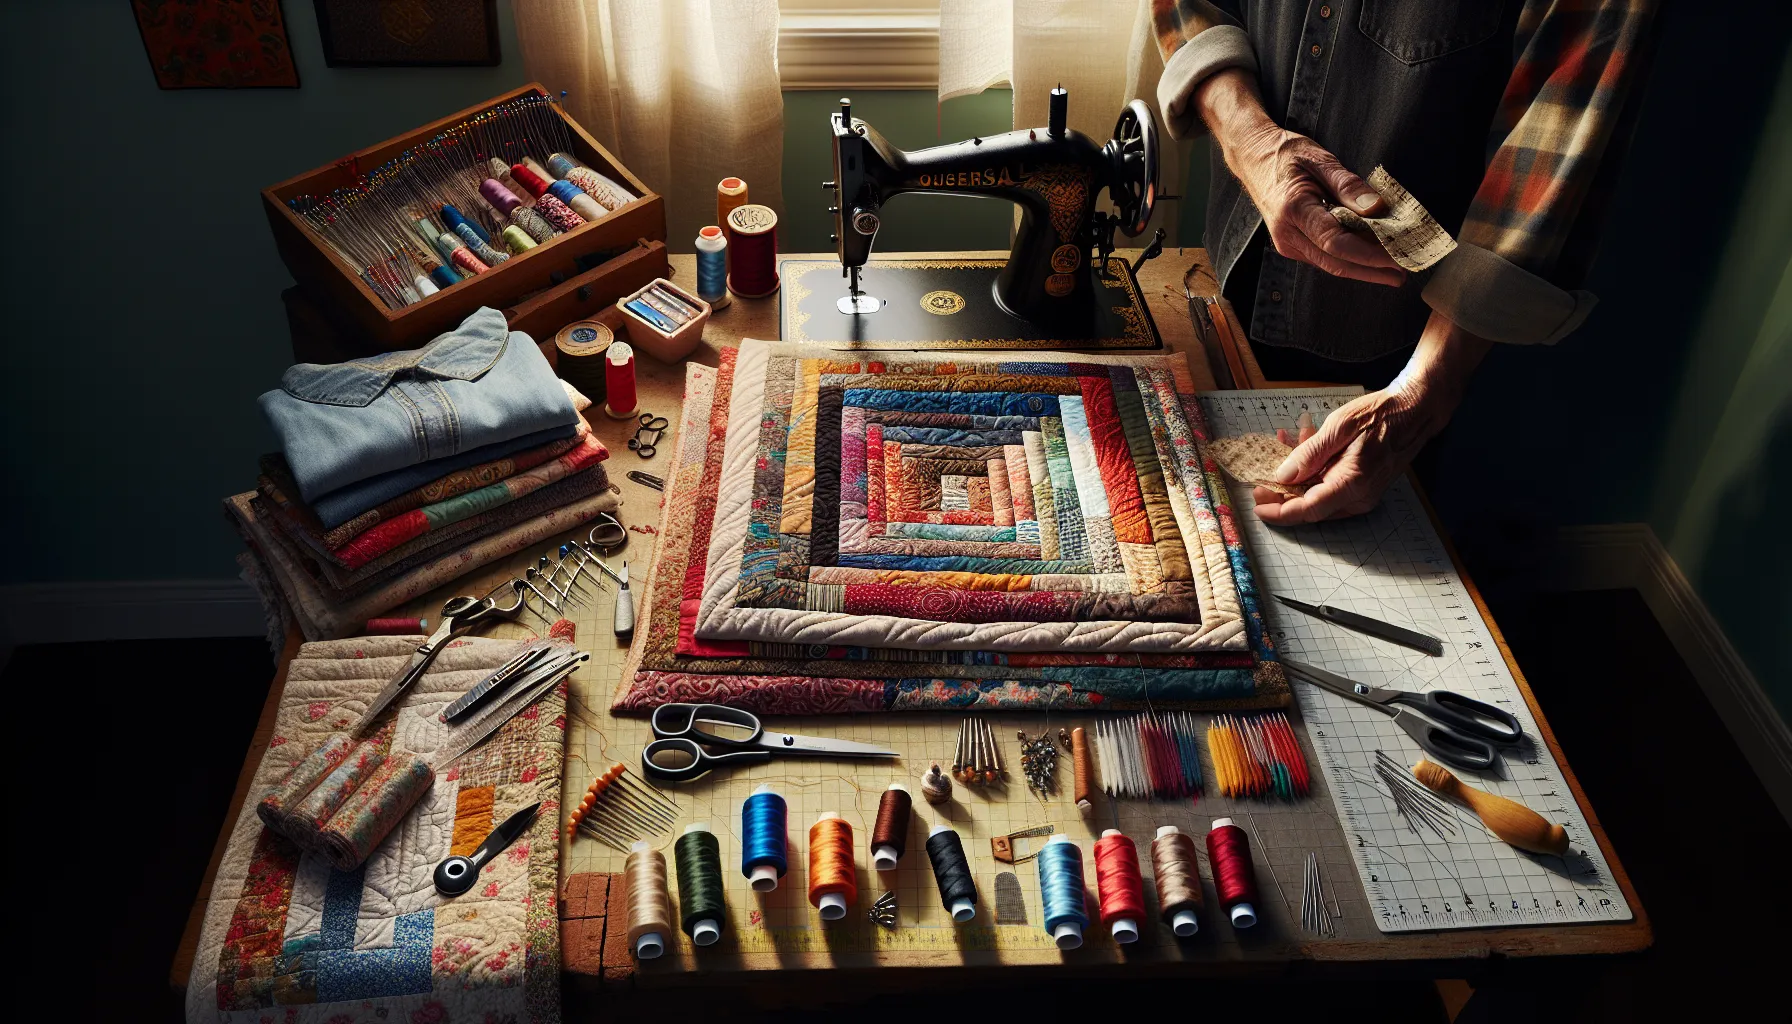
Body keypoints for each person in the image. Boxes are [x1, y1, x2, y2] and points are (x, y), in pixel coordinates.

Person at [1152, 0, 1657, 523]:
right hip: (1225, 276)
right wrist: (1251, 141)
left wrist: (1421, 395)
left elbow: (1562, 119)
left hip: (1401, 352)